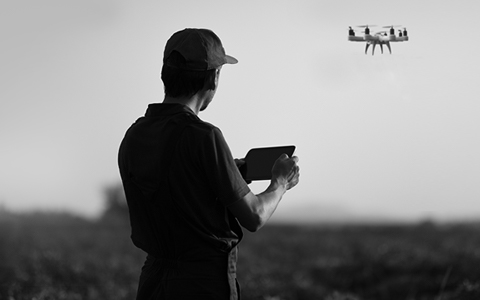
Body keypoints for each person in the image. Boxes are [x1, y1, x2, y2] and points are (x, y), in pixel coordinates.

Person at [118, 28, 300, 300]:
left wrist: (230, 172)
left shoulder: (134, 135)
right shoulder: (204, 137)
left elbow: (173, 189)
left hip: (153, 283)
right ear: (213, 78)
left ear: (165, 74)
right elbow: (254, 216)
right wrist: (281, 182)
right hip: (202, 286)